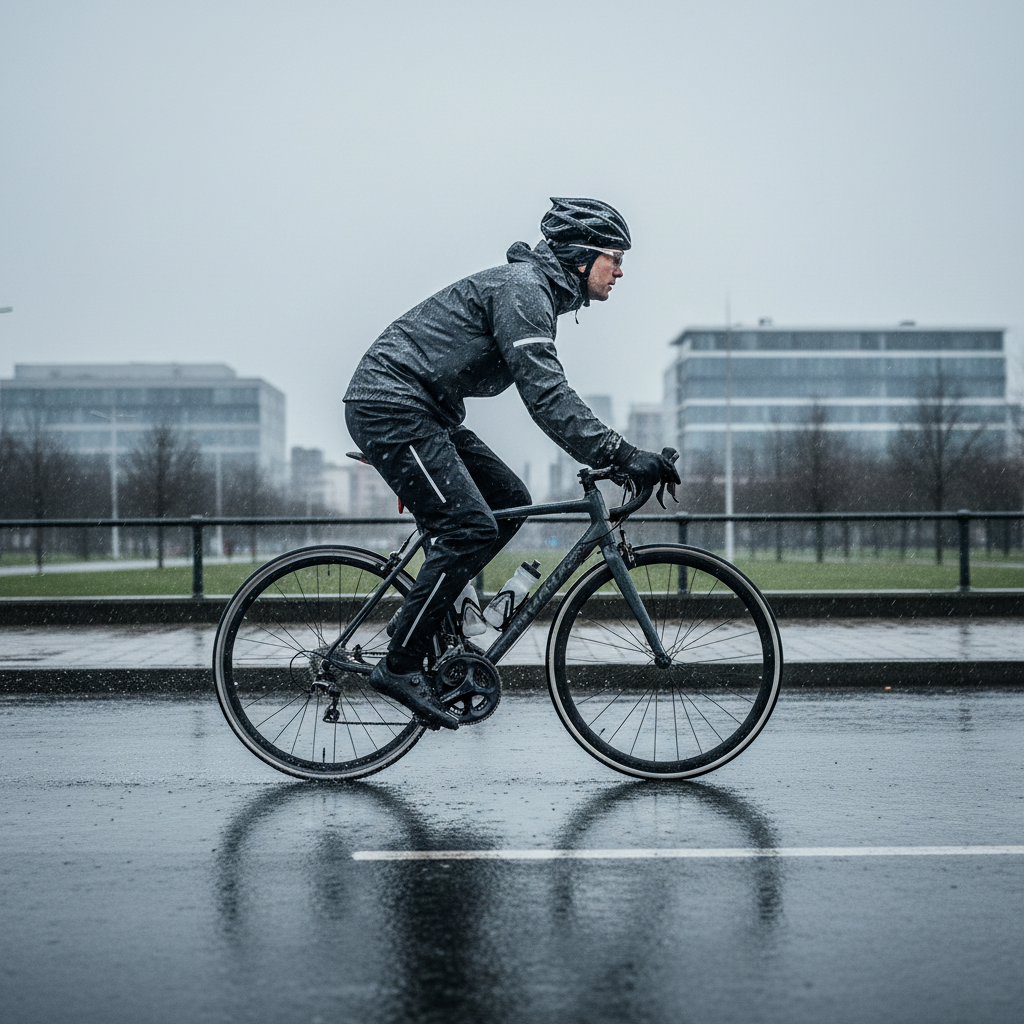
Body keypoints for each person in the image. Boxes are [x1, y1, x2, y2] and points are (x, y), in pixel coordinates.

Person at [343, 197, 680, 730]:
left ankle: (447, 616)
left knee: (511, 501)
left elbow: (545, 391)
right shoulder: (525, 290)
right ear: (580, 256)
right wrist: (619, 453)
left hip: (426, 414)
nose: (621, 269)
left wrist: (613, 453)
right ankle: (400, 663)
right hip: (393, 407)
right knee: (470, 528)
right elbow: (545, 393)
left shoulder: (538, 293)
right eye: (614, 256)